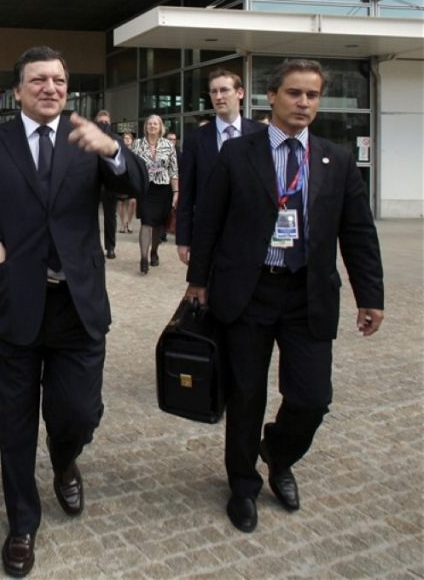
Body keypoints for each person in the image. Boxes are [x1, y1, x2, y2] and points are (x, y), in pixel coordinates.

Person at [0, 46, 146, 577]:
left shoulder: (87, 138)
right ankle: (22, 522)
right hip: (14, 305)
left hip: (76, 306)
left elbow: (138, 185)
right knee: (14, 425)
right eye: (39, 80)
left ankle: (65, 459)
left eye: (60, 80)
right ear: (18, 90)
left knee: (79, 413)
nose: (51, 87)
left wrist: (112, 148)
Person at [184, 58, 384, 534]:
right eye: (294, 93)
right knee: (246, 395)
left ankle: (277, 451)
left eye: (312, 95)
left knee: (312, 397)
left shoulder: (335, 161)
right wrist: (198, 280)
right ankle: (242, 485)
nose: (304, 103)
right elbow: (209, 218)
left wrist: (370, 295)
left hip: (307, 297)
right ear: (271, 96)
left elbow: (358, 234)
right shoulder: (238, 154)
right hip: (248, 294)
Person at [176, 69, 266, 264]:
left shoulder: (262, 135)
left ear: (240, 93)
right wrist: (183, 239)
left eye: (224, 90)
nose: (218, 97)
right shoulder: (195, 140)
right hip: (210, 236)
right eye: (213, 91)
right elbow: (187, 192)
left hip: (254, 234)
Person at [133, 114, 178, 274]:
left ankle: (154, 252)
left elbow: (174, 171)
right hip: (145, 189)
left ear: (160, 127)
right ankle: (144, 259)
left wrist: (176, 192)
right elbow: (132, 167)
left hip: (163, 189)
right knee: (146, 222)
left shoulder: (168, 145)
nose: (152, 126)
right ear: (146, 127)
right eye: (149, 123)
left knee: (159, 224)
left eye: (155, 124)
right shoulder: (137, 144)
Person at [94, 110, 118, 259]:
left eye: (106, 123)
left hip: (109, 184)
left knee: (110, 216)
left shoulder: (115, 140)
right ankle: (94, 247)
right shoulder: (87, 139)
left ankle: (110, 247)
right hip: (91, 183)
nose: (103, 125)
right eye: (101, 122)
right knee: (90, 216)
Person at [117, 130, 137, 234]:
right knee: (121, 202)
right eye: (125, 138)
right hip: (121, 179)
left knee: (133, 201)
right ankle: (122, 223)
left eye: (129, 138)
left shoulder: (135, 151)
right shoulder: (119, 150)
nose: (127, 140)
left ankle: (129, 222)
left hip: (132, 179)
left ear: (132, 141)